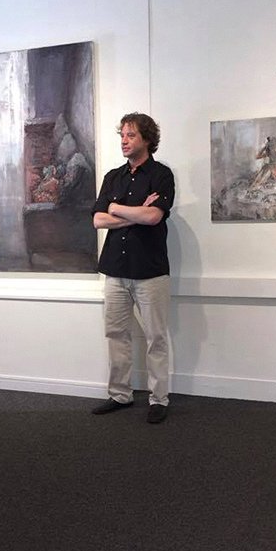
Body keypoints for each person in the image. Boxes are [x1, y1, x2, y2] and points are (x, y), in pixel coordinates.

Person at [90, 113, 175, 424]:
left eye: (131, 135)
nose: (124, 141)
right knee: (116, 334)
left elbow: (154, 218)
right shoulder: (113, 177)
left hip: (150, 272)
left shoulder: (162, 175)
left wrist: (116, 208)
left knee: (156, 337)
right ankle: (120, 394)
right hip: (115, 269)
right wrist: (134, 212)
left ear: (147, 140)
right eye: (122, 135)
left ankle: (159, 399)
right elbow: (98, 220)